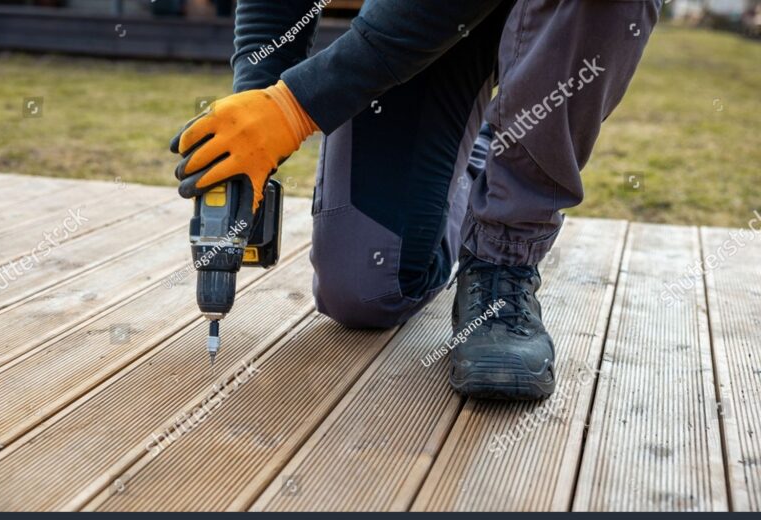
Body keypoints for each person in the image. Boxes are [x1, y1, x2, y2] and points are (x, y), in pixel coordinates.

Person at [171, 0, 661, 400]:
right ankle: (485, 150)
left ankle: (502, 260)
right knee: (367, 289)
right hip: (418, 19)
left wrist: (296, 106)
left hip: (566, 21)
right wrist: (257, 106)